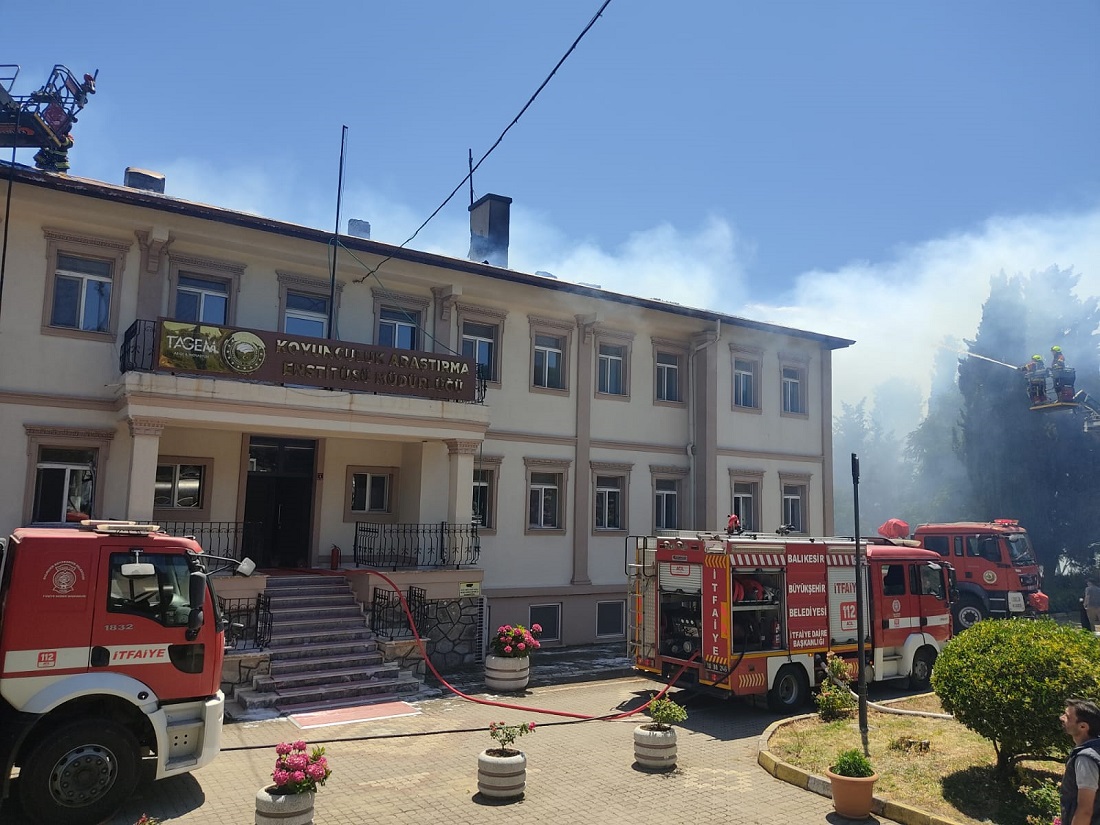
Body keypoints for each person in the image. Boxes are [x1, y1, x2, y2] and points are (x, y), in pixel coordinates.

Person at [1060, 698, 1100, 825]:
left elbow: (1085, 810)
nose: (1062, 718)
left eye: (1067, 717)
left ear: (1083, 726)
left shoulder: (1086, 759)